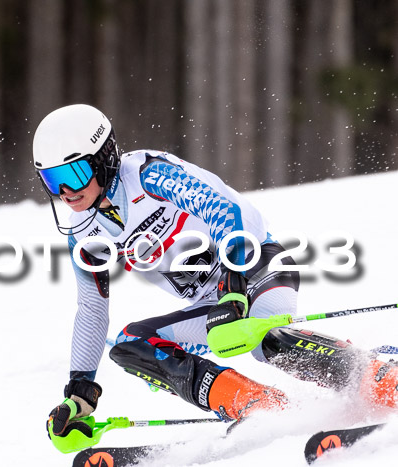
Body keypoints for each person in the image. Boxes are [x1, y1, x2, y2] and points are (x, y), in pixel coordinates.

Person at [32, 104, 398, 447]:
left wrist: (233, 289)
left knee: (263, 335)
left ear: (104, 160)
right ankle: (256, 405)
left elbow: (222, 208)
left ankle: (373, 374)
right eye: (51, 180)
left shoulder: (147, 174)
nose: (65, 192)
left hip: (256, 266)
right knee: (131, 345)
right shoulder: (84, 232)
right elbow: (92, 310)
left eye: (73, 174)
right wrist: (80, 391)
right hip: (213, 302)